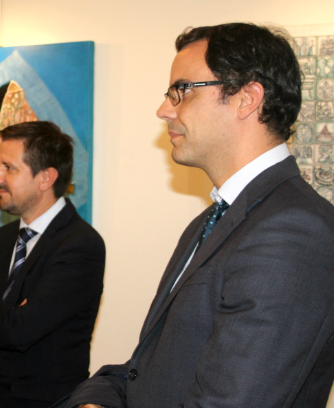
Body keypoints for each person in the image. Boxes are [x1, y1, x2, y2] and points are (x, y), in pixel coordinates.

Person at [57, 22, 334, 408]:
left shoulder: (293, 231)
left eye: (182, 90)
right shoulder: (212, 221)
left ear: (247, 98)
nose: (164, 110)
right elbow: (147, 369)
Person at [0, 121, 106, 408]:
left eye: (9, 168)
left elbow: (20, 330)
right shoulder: (1, 238)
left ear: (46, 178)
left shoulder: (81, 245)